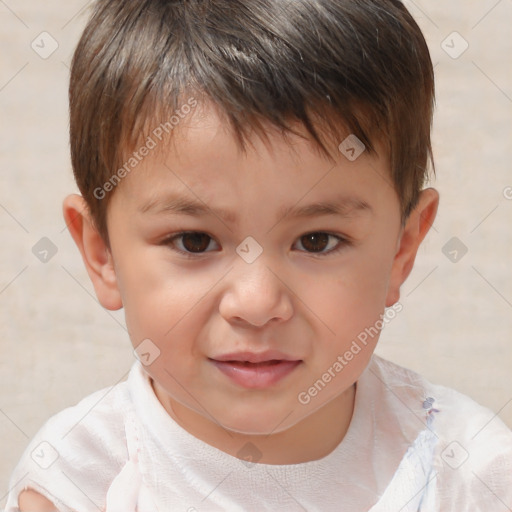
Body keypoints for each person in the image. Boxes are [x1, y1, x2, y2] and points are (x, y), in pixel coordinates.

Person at [6, 0, 512, 510]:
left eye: (317, 241)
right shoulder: (76, 482)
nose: (256, 302)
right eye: (194, 241)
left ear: (402, 248)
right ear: (102, 255)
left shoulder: (469, 473)